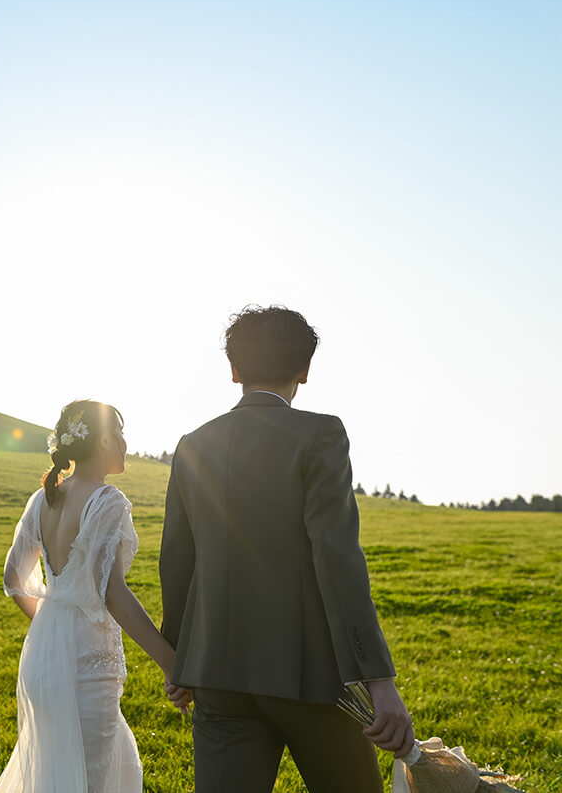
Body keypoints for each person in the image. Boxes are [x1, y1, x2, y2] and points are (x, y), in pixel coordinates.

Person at [159, 305, 415, 792]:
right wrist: (379, 681)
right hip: (309, 676)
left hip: (216, 675)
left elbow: (176, 561)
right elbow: (336, 558)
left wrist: (180, 660)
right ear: (305, 369)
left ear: (233, 370)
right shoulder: (320, 435)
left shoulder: (192, 444)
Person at [0, 400, 192, 792]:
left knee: (59, 774)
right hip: (88, 665)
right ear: (101, 439)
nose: (124, 443)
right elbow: (111, 592)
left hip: (45, 663)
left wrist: (54, 628)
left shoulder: (42, 500)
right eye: (118, 433)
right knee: (92, 779)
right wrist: (171, 663)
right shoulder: (107, 500)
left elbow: (14, 577)